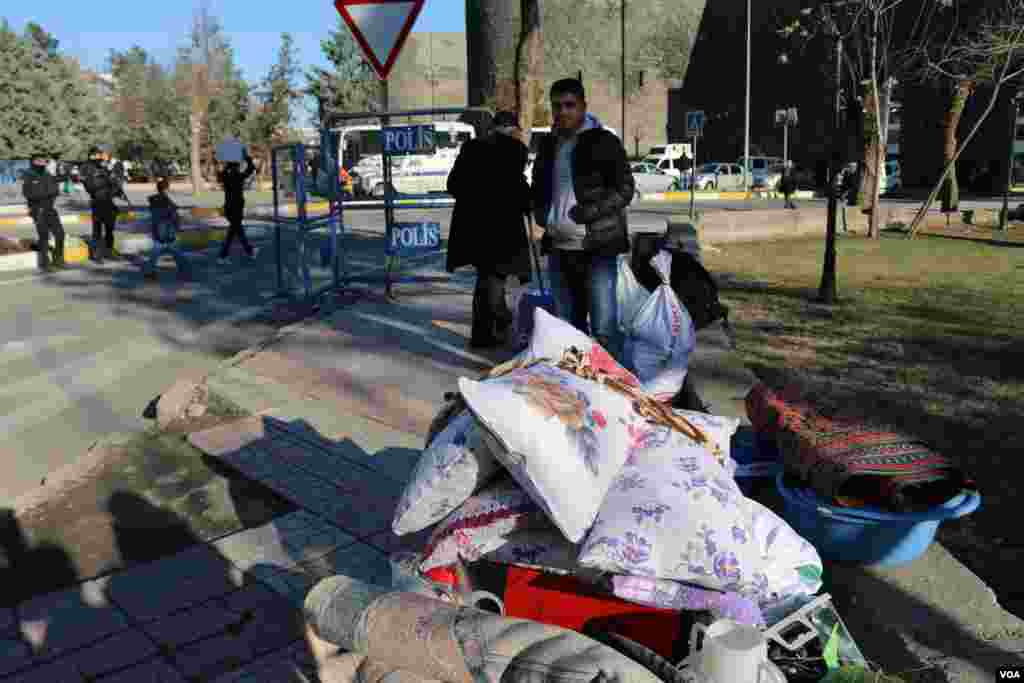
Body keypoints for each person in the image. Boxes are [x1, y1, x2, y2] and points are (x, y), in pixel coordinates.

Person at [531, 78, 635, 361]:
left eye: (569, 105)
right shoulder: (549, 144)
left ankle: (617, 390)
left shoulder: (604, 141)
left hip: (596, 248)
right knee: (567, 330)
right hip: (559, 249)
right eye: (557, 106)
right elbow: (538, 185)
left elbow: (626, 189)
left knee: (604, 329)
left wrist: (592, 212)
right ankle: (579, 392)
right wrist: (540, 211)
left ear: (583, 107)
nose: (563, 112)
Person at [447, 111, 533, 349]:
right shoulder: (515, 149)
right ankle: (499, 320)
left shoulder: (470, 148)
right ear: (510, 128)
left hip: (473, 226)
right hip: (502, 227)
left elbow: (452, 185)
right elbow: (516, 185)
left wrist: (474, 198)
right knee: (494, 277)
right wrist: (527, 202)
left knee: (486, 277)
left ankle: (482, 333)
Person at [80, 146, 126, 263]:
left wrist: (115, 186)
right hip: (97, 201)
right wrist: (103, 180)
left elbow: (113, 182)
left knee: (110, 228)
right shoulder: (86, 167)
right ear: (91, 155)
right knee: (97, 230)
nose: (99, 157)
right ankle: (97, 254)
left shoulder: (103, 166)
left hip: (108, 200)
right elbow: (90, 186)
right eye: (96, 155)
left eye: (99, 155)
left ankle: (109, 251)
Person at [21, 154, 65, 272]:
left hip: (50, 208)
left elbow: (55, 190)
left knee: (60, 234)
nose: (42, 163)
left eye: (43, 161)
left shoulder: (47, 174)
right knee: (44, 236)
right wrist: (46, 192)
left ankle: (58, 258)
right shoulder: (29, 175)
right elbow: (29, 194)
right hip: (38, 210)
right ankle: (45, 263)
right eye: (39, 161)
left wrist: (46, 191)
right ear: (33, 162)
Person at [217, 152, 258, 265]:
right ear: (237, 166)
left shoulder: (225, 176)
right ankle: (223, 256)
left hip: (229, 208)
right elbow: (252, 168)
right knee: (234, 232)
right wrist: (246, 157)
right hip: (237, 208)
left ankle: (249, 251)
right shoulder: (239, 176)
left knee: (236, 231)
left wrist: (226, 165)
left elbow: (220, 173)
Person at [144, 179, 188, 278]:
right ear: (167, 188)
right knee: (176, 252)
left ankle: (150, 271)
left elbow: (154, 217)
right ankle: (184, 270)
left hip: (157, 231)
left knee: (155, 252)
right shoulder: (168, 202)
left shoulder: (153, 201)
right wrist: (178, 227)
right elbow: (174, 216)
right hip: (168, 230)